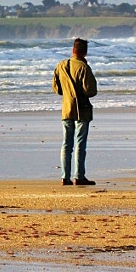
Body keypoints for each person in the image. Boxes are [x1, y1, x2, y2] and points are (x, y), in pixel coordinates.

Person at [52, 38, 98, 186]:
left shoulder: (61, 66)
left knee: (66, 144)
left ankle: (65, 177)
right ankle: (79, 176)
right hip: (82, 110)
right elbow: (90, 91)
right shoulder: (84, 67)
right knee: (80, 144)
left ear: (73, 50)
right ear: (85, 52)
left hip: (66, 109)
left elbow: (57, 89)